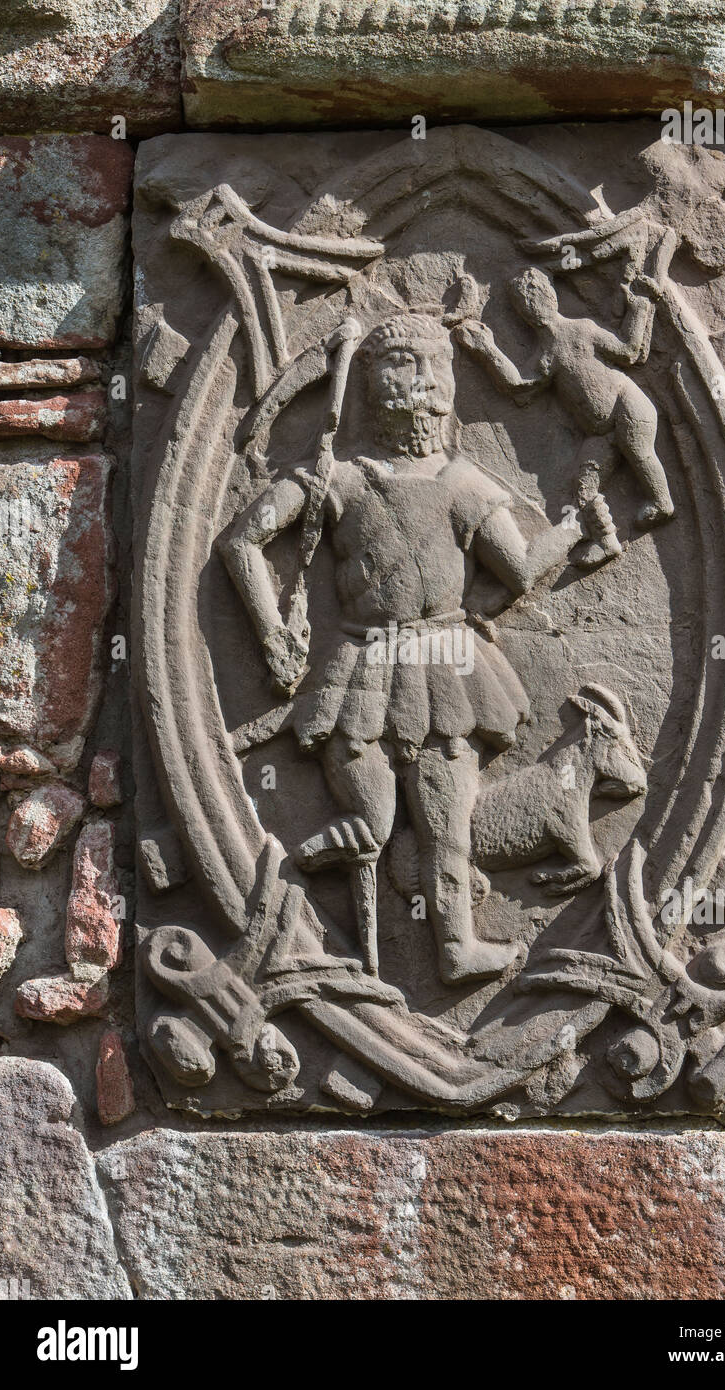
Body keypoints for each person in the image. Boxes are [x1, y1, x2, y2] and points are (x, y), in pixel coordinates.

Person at [219, 311, 576, 984]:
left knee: (447, 820)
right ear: (372, 387)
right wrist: (270, 631)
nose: (421, 383)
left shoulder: (463, 486)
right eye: (401, 366)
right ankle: (312, 887)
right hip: (364, 669)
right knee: (383, 818)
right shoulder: (338, 478)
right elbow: (240, 541)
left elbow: (519, 573)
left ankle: (454, 947)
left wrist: (569, 531)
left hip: (446, 671)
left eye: (430, 367)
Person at [456, 265, 674, 568]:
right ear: (521, 313)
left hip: (629, 406)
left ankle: (662, 503)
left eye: (537, 295)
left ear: (552, 296)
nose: (533, 305)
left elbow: (629, 351)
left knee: (638, 451)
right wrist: (488, 351)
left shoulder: (583, 329)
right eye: (523, 302)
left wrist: (640, 307)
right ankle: (607, 541)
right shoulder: (546, 354)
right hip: (600, 433)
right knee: (583, 486)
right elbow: (519, 386)